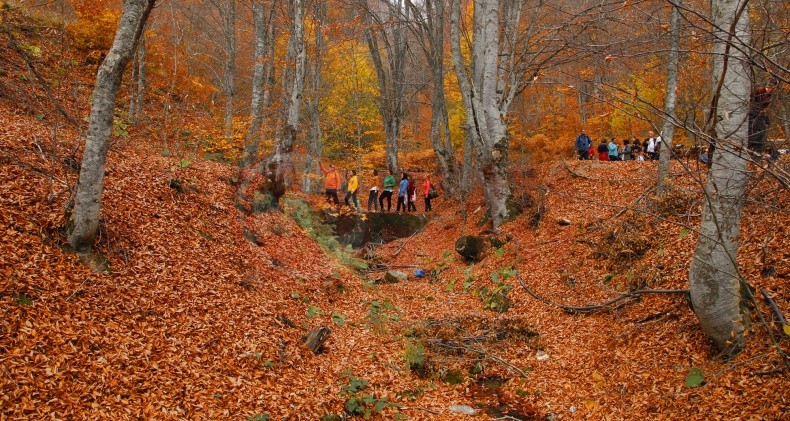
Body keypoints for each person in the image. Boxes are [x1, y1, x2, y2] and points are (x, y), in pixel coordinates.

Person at [749, 78, 778, 154]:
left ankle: (759, 150)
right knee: (755, 130)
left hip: (759, 114)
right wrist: (756, 110)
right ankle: (754, 148)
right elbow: (750, 100)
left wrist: (764, 114)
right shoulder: (760, 91)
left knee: (763, 130)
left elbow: (764, 107)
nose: (772, 89)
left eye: (774, 87)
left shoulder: (770, 96)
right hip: (752, 113)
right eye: (771, 86)